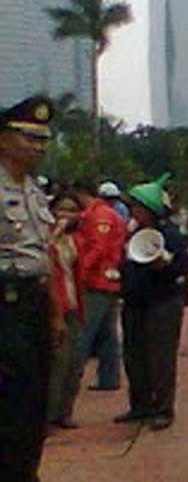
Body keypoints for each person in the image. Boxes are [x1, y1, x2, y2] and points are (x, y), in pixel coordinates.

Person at [0, 95, 62, 481]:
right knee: (11, 401)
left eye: (43, 139)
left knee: (37, 401)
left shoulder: (36, 191)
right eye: (28, 138)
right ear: (4, 140)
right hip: (4, 305)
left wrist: (55, 313)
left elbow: (45, 259)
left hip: (35, 304)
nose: (38, 147)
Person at [115, 174, 188, 431]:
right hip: (135, 302)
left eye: (137, 206)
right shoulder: (132, 232)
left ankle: (162, 407)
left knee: (161, 357)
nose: (133, 210)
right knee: (134, 355)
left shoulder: (170, 233)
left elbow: (185, 265)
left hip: (163, 302)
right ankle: (140, 404)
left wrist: (165, 265)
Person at [72, 180, 125, 393]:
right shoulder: (107, 214)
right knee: (107, 333)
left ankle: (72, 379)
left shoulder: (99, 216)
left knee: (85, 332)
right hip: (108, 279)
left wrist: (80, 273)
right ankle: (109, 377)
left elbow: (97, 248)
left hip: (97, 280)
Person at [46, 190, 86, 429]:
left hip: (74, 304)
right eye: (63, 209)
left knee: (75, 361)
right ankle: (48, 416)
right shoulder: (48, 239)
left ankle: (65, 411)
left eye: (73, 210)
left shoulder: (76, 240)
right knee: (57, 362)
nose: (67, 215)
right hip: (56, 306)